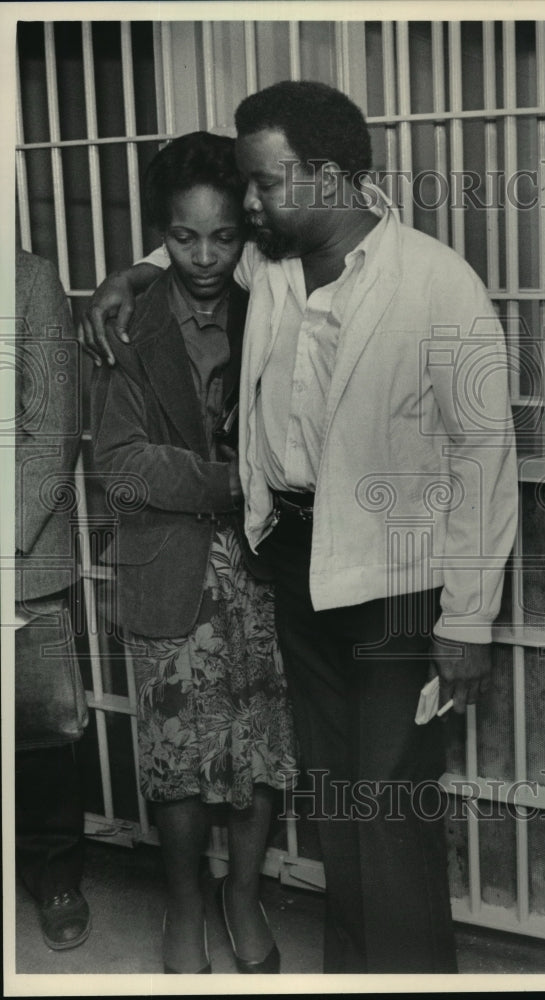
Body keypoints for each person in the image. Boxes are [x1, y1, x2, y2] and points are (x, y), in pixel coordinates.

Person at [79, 81, 518, 974]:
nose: (247, 204)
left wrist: (467, 620)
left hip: (399, 584)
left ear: (327, 178)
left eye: (263, 183)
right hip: (293, 563)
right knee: (339, 800)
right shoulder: (269, 265)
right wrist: (124, 278)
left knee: (388, 806)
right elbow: (187, 261)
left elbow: (484, 455)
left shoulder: (437, 283)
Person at [89, 131, 297, 975]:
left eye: (223, 236)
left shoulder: (274, 303)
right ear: (157, 235)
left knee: (262, 748)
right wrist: (237, 480)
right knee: (175, 758)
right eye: (183, 237)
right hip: (168, 566)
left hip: (267, 566)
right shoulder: (124, 323)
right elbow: (120, 462)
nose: (205, 256)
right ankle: (183, 908)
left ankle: (241, 898)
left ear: (246, 228)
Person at [15, 248, 91, 950]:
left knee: (39, 732)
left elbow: (52, 428)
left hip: (21, 547)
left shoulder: (28, 278)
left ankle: (55, 873)